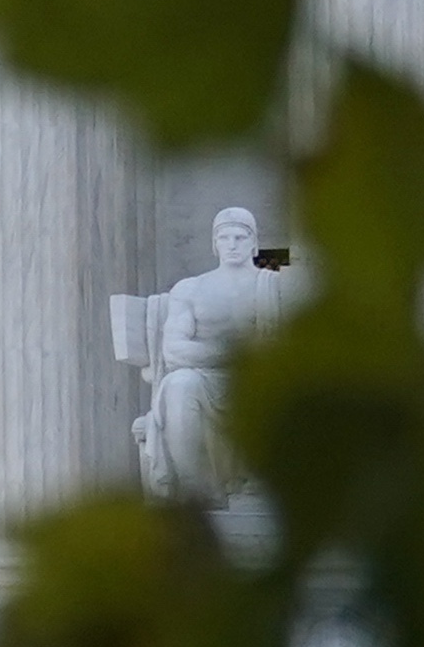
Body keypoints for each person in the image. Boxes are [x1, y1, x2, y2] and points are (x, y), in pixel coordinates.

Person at [127, 206, 301, 510]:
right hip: (206, 377)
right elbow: (174, 348)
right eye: (224, 237)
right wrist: (230, 356)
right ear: (214, 244)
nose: (232, 244)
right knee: (179, 384)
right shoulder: (191, 289)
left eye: (240, 236)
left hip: (258, 378)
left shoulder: (275, 286)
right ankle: (197, 491)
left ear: (253, 243)